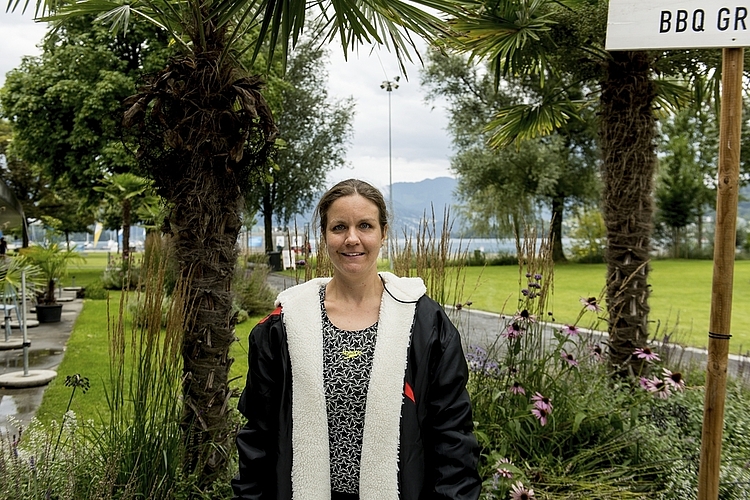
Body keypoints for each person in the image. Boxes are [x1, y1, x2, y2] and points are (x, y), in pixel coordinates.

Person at [232, 179, 481, 500]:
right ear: (324, 236)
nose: (352, 239)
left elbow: (453, 436)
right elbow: (258, 437)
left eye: (365, 225)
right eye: (339, 227)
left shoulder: (425, 324)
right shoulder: (283, 326)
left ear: (383, 232)